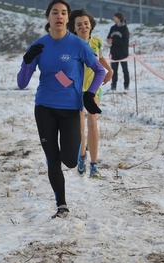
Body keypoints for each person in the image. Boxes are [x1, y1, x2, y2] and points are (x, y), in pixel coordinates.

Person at [17, 0, 105, 219]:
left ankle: (75, 161)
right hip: (44, 106)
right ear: (48, 17)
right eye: (55, 12)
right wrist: (27, 61)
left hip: (70, 108)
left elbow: (100, 71)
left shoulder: (78, 44)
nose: (59, 16)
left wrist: (89, 94)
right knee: (52, 159)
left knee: (70, 160)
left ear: (68, 19)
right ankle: (62, 205)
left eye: (63, 12)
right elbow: (21, 83)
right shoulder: (39, 46)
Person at [68, 9, 113, 178]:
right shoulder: (69, 45)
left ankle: (94, 164)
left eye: (86, 24)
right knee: (80, 125)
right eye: (79, 24)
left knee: (93, 122)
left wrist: (110, 70)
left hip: (93, 89)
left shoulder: (97, 43)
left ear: (90, 25)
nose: (83, 27)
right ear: (73, 28)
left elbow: (99, 58)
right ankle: (81, 157)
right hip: (76, 91)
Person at [106, 12, 130, 91]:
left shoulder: (124, 29)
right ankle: (113, 86)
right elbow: (109, 36)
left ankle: (126, 86)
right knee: (113, 71)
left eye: (115, 17)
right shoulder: (113, 28)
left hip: (123, 53)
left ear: (119, 18)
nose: (114, 18)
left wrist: (114, 41)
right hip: (114, 52)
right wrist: (109, 40)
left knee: (125, 70)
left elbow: (124, 41)